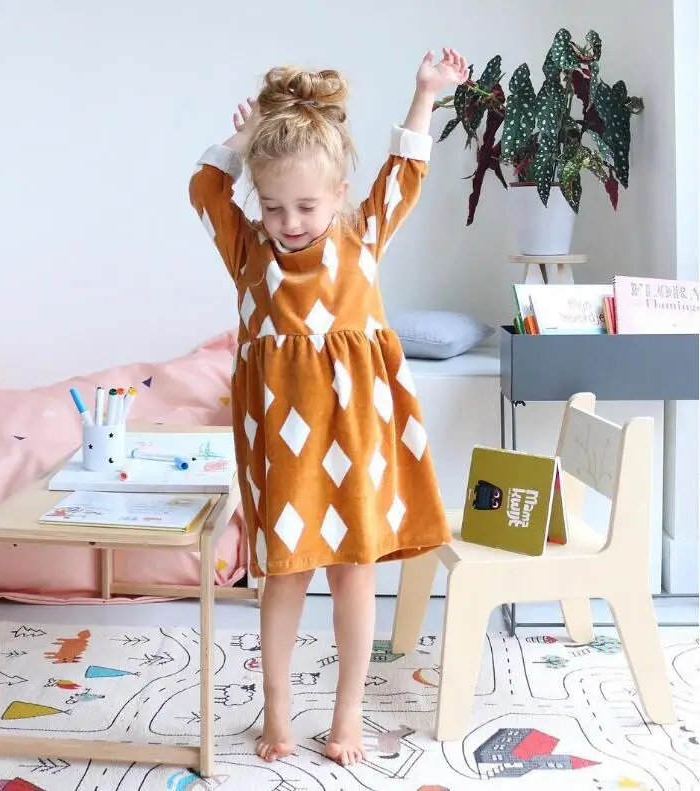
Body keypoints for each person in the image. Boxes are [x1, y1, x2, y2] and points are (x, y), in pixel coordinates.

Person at [189, 49, 469, 767]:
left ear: (339, 194)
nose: (289, 222)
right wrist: (242, 138)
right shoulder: (249, 253)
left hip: (357, 438)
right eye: (273, 205)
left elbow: (405, 171)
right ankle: (277, 707)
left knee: (353, 572)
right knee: (283, 572)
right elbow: (205, 188)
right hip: (283, 444)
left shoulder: (361, 236)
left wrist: (425, 93)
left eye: (307, 207)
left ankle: (348, 711)